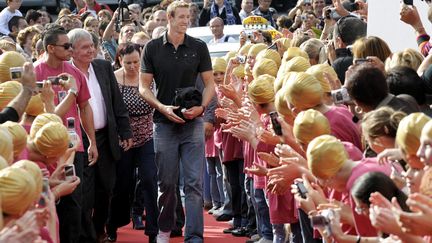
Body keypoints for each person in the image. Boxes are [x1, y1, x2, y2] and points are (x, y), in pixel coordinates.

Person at [139, 1, 215, 242]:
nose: (186, 20)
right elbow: (143, 87)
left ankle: (194, 236)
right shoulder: (151, 48)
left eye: (188, 16)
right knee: (167, 183)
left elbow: (210, 84)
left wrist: (202, 108)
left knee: (193, 184)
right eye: (181, 16)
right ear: (169, 18)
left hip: (192, 123)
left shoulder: (199, 47)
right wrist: (162, 107)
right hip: (163, 123)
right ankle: (165, 228)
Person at [67, 28, 133, 242]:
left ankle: (99, 230)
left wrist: (125, 131)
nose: (91, 50)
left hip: (106, 138)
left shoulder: (103, 67)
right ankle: (87, 235)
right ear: (72, 50)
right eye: (85, 47)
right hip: (79, 139)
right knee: (85, 191)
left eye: (92, 46)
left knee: (107, 187)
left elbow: (116, 103)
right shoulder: (66, 73)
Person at [34, 25, 97, 243]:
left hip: (72, 149)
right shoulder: (34, 72)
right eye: (66, 46)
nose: (70, 50)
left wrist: (92, 142)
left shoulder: (74, 73)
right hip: (41, 150)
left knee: (73, 200)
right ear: (50, 48)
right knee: (43, 200)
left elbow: (85, 107)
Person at [106, 43, 159, 243]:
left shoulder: (149, 77)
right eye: (128, 62)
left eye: (136, 61)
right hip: (123, 139)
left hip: (147, 135)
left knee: (149, 180)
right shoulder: (113, 78)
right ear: (120, 60)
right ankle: (112, 225)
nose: (132, 66)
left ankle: (153, 231)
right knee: (121, 185)